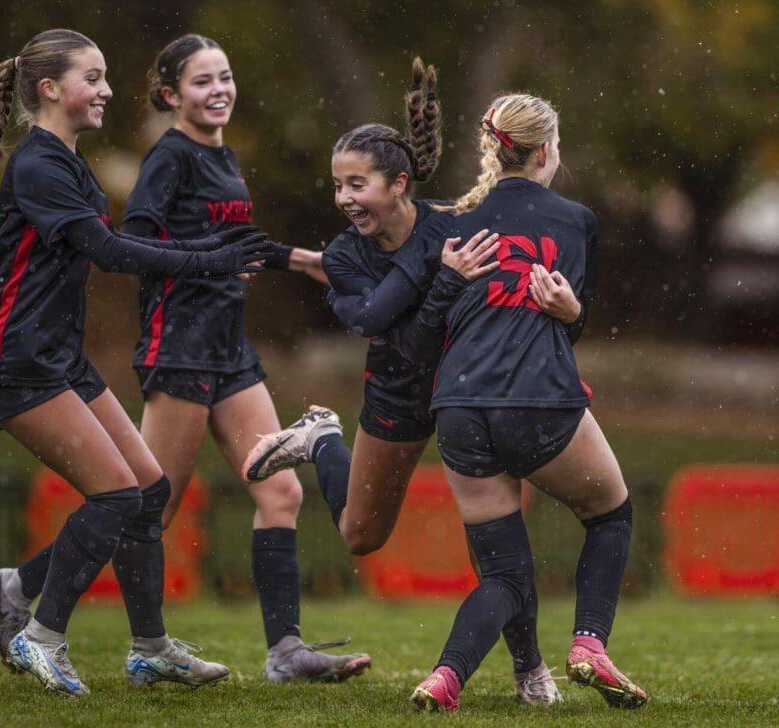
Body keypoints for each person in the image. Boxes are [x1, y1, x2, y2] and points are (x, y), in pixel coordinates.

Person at [0, 28, 269, 696]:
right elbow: (111, 252)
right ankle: (41, 636)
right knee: (118, 495)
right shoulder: (39, 165)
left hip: (58, 358)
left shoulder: (69, 161)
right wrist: (212, 256)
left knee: (149, 489)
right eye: (92, 78)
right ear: (51, 89)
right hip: (14, 361)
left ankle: (150, 648)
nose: (104, 90)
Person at [244, 60, 562, 706]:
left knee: (500, 550)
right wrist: (443, 280)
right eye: (338, 187)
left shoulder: (452, 224)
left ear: (398, 183)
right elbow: (383, 327)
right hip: (396, 392)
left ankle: (531, 669)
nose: (343, 201)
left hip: (468, 399)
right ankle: (321, 440)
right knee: (362, 536)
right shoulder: (344, 257)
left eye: (356, 185)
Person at [117, 33, 369, 684]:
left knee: (280, 488)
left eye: (225, 77)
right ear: (171, 94)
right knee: (154, 507)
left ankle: (286, 653)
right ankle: (61, 608)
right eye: (202, 82)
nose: (219, 90)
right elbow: (136, 245)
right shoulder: (169, 158)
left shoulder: (224, 156)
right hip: (179, 344)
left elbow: (233, 238)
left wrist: (304, 260)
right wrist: (209, 264)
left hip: (229, 347)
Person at [390, 94, 647, 712]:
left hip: (457, 405)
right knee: (610, 515)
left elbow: (418, 333)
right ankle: (588, 644)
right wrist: (574, 312)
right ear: (546, 150)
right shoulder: (575, 219)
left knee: (503, 573)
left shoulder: (447, 220)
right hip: (537, 398)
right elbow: (564, 325)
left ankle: (446, 678)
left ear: (492, 148)